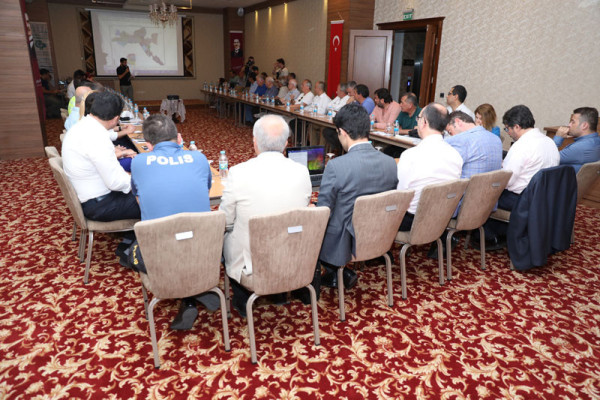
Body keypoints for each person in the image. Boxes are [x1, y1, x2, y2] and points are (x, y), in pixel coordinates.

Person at [130, 114, 218, 330]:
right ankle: (196, 294)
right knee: (186, 240)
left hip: (161, 253)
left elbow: (140, 200)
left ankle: (188, 298)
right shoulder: (199, 158)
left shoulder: (139, 162)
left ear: (148, 145)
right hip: (205, 249)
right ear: (179, 138)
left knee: (130, 252)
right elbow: (206, 191)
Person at [220, 114, 312, 316]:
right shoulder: (302, 171)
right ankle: (279, 293)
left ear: (254, 142)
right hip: (292, 254)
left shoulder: (238, 173)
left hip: (254, 263)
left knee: (224, 234)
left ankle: (242, 298)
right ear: (286, 144)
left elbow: (224, 220)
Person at [317, 103, 399, 291]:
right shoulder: (390, 163)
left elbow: (323, 210)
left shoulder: (336, 166)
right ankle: (340, 272)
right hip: (379, 233)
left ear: (342, 132)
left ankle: (333, 271)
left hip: (344, 240)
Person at [483, 105, 560, 247]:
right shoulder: (550, 142)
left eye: (507, 129)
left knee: (481, 194)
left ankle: (488, 235)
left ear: (517, 127)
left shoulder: (521, 146)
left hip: (521, 199)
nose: (508, 133)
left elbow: (506, 181)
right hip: (543, 198)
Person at [62, 91, 140, 222]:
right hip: (101, 204)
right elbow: (115, 182)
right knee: (159, 198)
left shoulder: (82, 126)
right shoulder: (98, 137)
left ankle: (134, 232)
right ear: (115, 119)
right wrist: (144, 180)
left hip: (93, 196)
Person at [396, 103, 463, 231]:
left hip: (411, 221)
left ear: (424, 122)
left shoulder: (410, 155)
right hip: (441, 218)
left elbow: (400, 197)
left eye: (418, 118)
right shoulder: (456, 155)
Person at [445, 111, 502, 179]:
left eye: (450, 131)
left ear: (458, 122)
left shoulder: (458, 140)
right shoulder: (496, 139)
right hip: (490, 185)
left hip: (466, 185)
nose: (451, 136)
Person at [553, 107, 600, 173]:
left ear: (584, 125)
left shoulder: (579, 147)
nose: (569, 125)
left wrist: (558, 137)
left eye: (573, 122)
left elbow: (546, 158)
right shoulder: (596, 141)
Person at [322, 83, 351, 153]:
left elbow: (339, 109)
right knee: (326, 131)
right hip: (332, 122)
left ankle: (338, 150)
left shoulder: (347, 99)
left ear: (342, 91)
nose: (336, 92)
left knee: (331, 133)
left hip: (342, 126)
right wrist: (333, 108)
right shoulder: (338, 97)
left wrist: (332, 108)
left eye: (337, 90)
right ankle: (335, 149)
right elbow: (328, 106)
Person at [308, 81, 332, 146]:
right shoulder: (315, 98)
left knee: (323, 129)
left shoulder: (326, 99)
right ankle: (313, 146)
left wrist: (313, 111)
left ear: (319, 89)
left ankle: (321, 148)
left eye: (315, 87)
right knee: (311, 125)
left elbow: (322, 112)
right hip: (315, 120)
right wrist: (313, 111)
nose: (314, 89)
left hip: (323, 122)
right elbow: (310, 108)